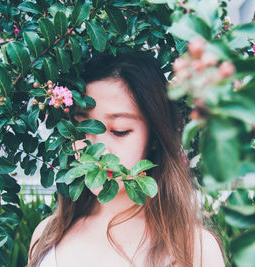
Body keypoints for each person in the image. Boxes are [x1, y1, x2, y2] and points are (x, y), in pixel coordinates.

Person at [28, 52, 225, 267]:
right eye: (83, 127)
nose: (97, 149)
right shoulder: (47, 236)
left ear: (153, 138)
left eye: (119, 131)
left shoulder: (196, 250)